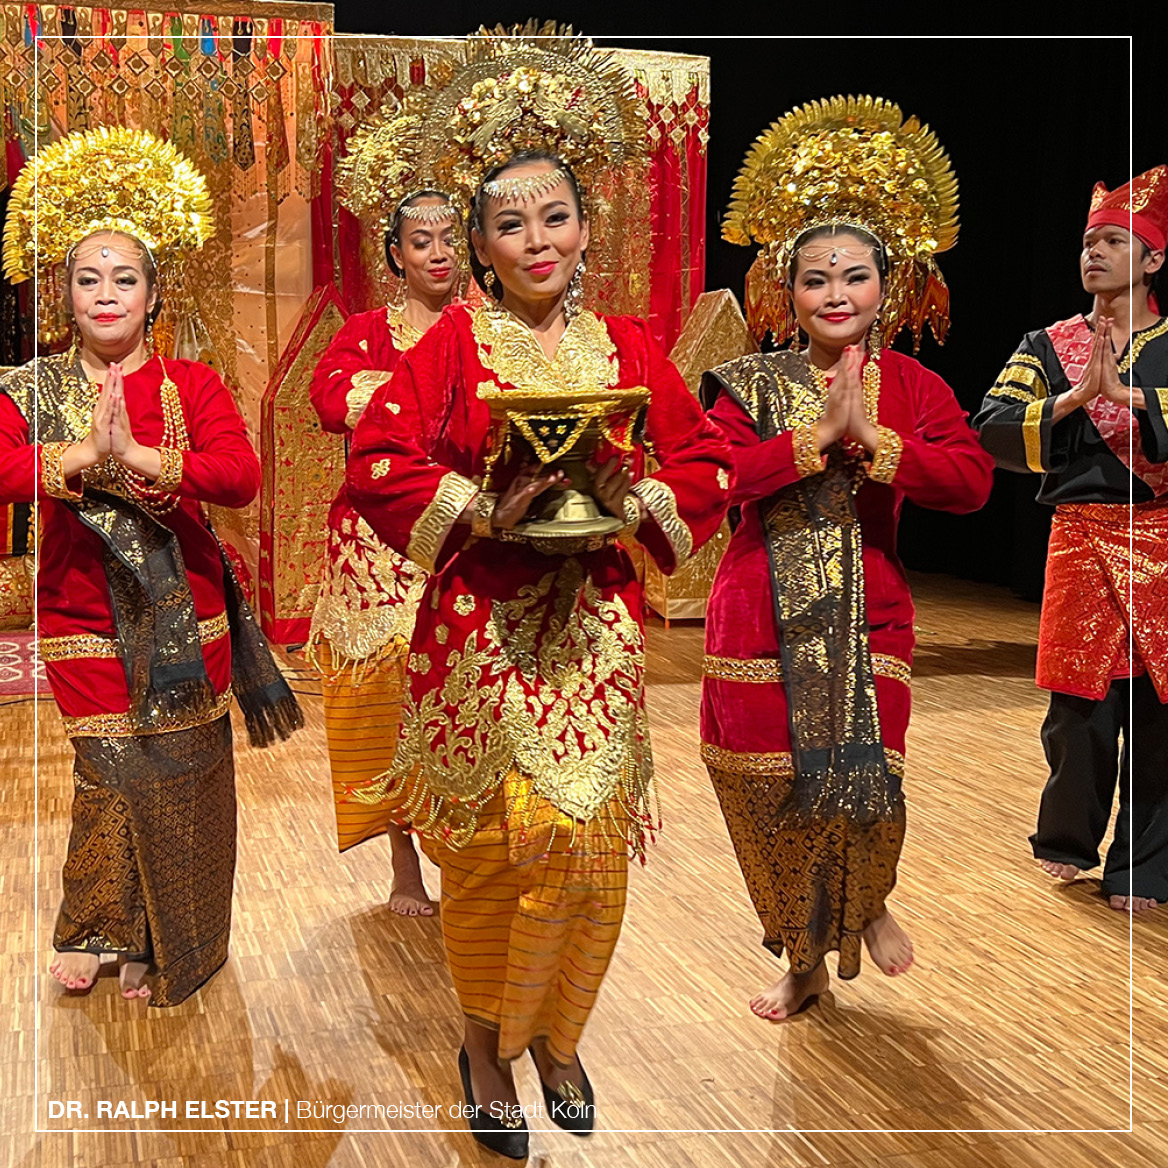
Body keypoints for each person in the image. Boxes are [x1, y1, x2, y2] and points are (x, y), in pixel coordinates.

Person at [345, 66, 731, 1152]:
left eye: (553, 216)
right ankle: (481, 1043)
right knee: (491, 854)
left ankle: (559, 1033)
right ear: (480, 249)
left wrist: (629, 499)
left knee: (590, 852)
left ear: (582, 230)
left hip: (595, 632)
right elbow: (377, 462)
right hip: (479, 634)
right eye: (508, 224)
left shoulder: (631, 349)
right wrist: (479, 509)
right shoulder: (451, 349)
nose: (535, 238)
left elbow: (703, 463)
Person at [701, 96, 995, 1022]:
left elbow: (973, 482)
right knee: (767, 791)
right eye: (816, 278)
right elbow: (707, 481)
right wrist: (805, 443)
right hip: (756, 606)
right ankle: (801, 955)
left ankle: (866, 906)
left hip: (873, 607)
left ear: (890, 286)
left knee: (863, 772)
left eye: (855, 277)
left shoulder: (915, 384)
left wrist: (879, 443)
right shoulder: (750, 384)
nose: (836, 294)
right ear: (784, 291)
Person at [0, 127, 301, 1006]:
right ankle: (99, 924)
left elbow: (239, 477)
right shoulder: (27, 387)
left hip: (188, 617)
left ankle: (167, 935)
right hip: (81, 611)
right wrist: (76, 455)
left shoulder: (192, 384)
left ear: (153, 292)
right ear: (63, 293)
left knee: (180, 771)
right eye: (88, 278)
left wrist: (144, 457)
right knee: (109, 767)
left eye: (124, 278)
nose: (106, 294)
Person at [974, 165, 1168, 913]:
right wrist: (1074, 399)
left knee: (1157, 715)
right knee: (1079, 712)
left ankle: (1144, 868)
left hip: (1161, 539)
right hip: (1081, 541)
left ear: (1152, 261)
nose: (1094, 254)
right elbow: (989, 427)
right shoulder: (1049, 344)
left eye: (1115, 242)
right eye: (1090, 242)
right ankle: (1065, 841)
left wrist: (1134, 398)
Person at [308, 122, 465, 916]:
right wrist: (417, 391)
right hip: (374, 548)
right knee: (385, 700)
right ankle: (404, 862)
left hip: (463, 534)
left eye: (447, 239)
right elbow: (330, 399)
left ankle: (468, 855)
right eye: (419, 241)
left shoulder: (488, 331)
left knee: (464, 694)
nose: (436, 253)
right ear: (396, 256)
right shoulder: (364, 333)